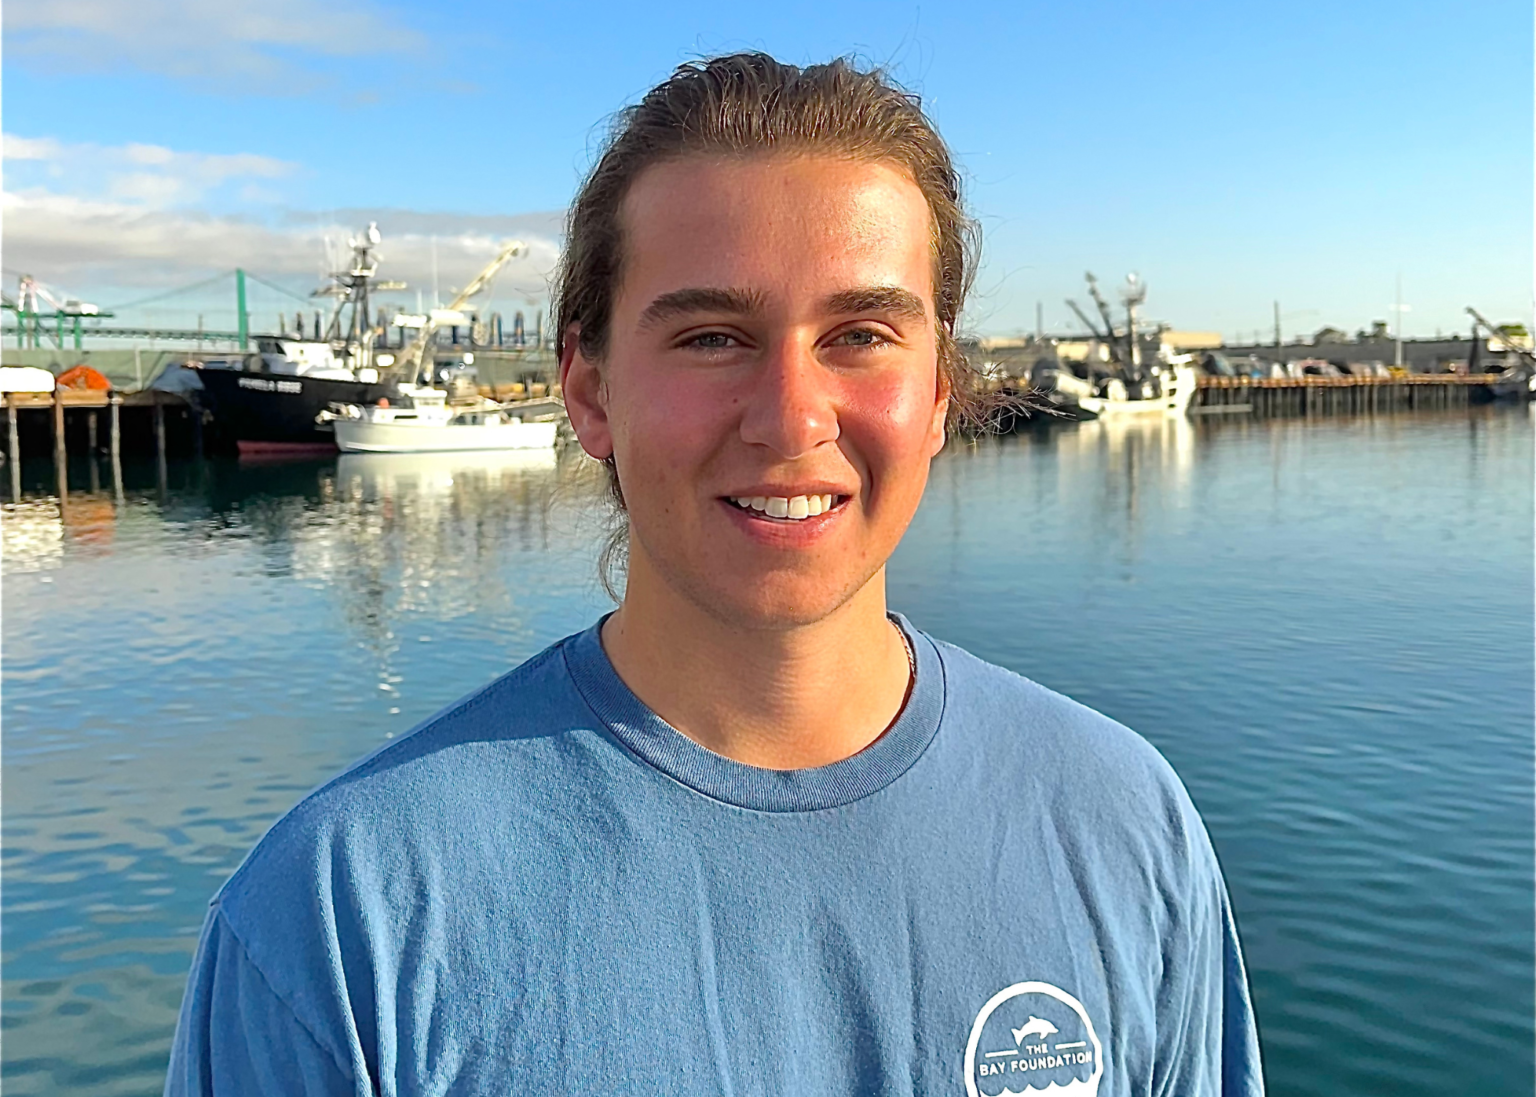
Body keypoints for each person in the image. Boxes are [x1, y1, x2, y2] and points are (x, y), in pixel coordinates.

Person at [165, 53, 1263, 1096]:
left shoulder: (1124, 825)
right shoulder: (340, 917)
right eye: (710, 337)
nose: (791, 417)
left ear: (937, 393)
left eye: (861, 333)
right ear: (589, 391)